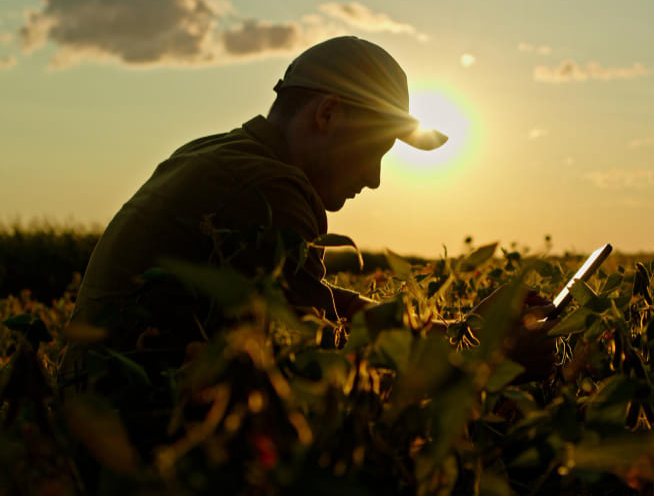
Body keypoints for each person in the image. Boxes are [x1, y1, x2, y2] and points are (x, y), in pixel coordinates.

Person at [57, 36, 553, 458]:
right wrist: (487, 364)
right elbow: (320, 353)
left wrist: (463, 332)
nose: (375, 179)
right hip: (135, 446)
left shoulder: (223, 154)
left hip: (105, 420)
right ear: (328, 113)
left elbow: (321, 307)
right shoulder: (268, 187)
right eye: (375, 151)